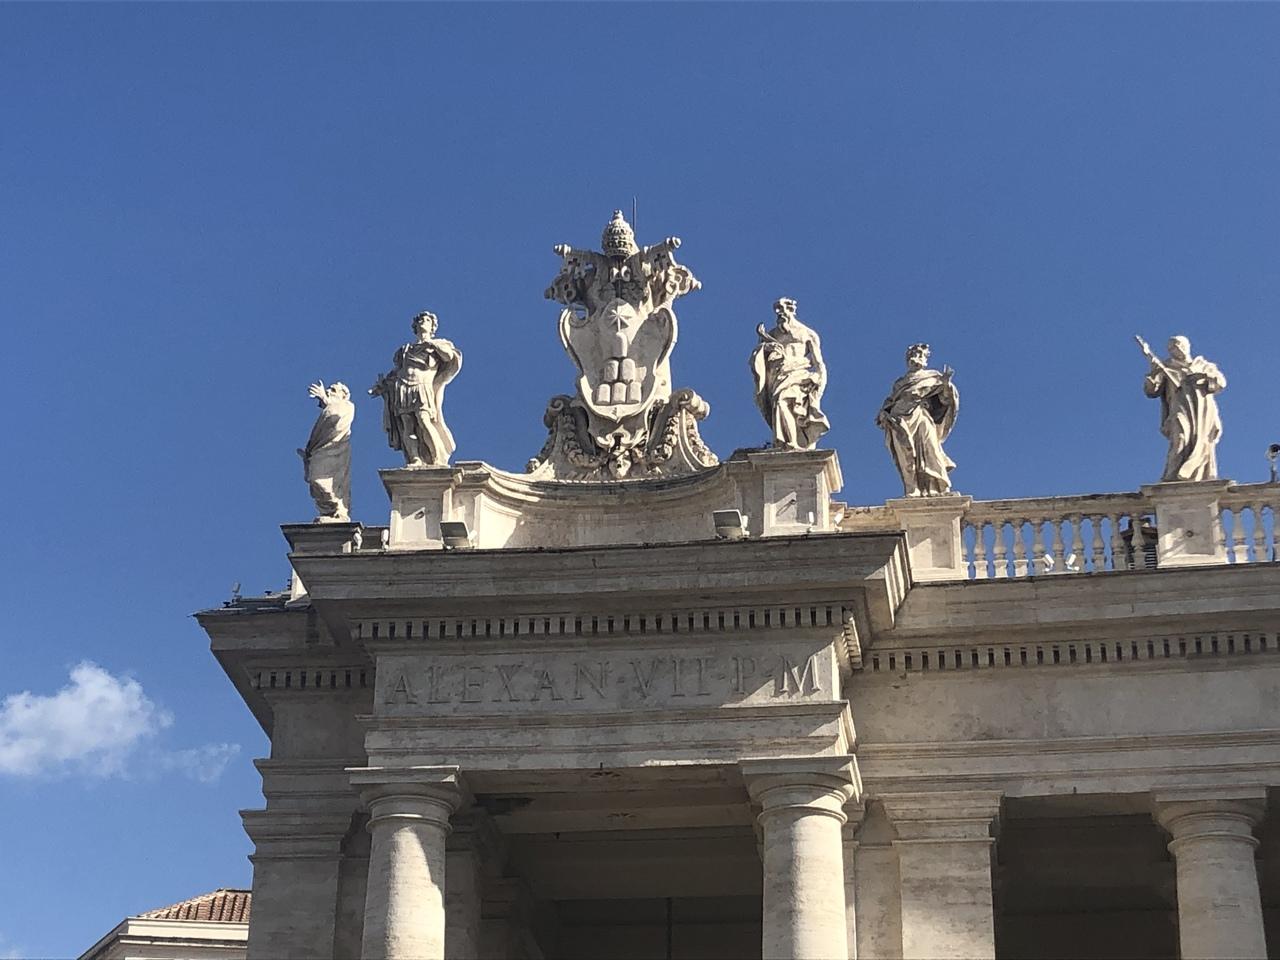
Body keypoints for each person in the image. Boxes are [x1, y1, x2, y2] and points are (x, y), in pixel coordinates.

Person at [371, 311, 462, 467]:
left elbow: (448, 356)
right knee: (407, 425)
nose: (422, 322)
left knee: (423, 419)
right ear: (415, 326)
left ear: (433, 327)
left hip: (422, 386)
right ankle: (415, 458)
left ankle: (437, 457)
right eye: (420, 320)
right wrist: (383, 386)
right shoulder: (405, 349)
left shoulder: (440, 344)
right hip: (403, 387)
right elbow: (398, 370)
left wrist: (431, 344)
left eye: (427, 320)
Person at [1137, 334, 1226, 482]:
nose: (1176, 349)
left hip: (1202, 409)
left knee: (1203, 440)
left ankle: (1199, 475)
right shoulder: (1166, 367)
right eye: (1172, 347)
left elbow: (1220, 383)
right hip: (1179, 406)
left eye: (1178, 345)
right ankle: (1173, 477)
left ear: (1187, 346)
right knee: (1180, 437)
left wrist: (1203, 377)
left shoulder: (1203, 365)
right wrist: (1154, 370)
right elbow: (1152, 390)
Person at [877, 343, 959, 497]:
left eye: (920, 355)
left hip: (921, 417)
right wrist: (883, 413)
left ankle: (936, 487)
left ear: (925, 359)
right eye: (913, 355)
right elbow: (890, 402)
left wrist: (946, 385)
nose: (916, 358)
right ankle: (912, 488)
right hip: (900, 420)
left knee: (930, 450)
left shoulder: (933, 377)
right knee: (905, 455)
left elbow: (946, 400)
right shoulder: (899, 383)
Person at [749, 298, 830, 450]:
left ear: (791, 310)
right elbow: (761, 359)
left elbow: (818, 362)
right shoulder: (772, 334)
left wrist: (820, 381)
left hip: (799, 374)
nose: (779, 312)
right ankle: (787, 443)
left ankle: (791, 443)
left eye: (782, 308)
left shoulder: (807, 333)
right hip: (778, 375)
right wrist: (764, 348)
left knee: (783, 401)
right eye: (777, 309)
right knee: (779, 404)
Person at [298, 381, 354, 521]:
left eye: (333, 390)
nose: (329, 391)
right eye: (329, 390)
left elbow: (334, 415)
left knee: (320, 480)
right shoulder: (334, 407)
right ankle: (331, 510)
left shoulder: (347, 406)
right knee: (315, 480)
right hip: (321, 450)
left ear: (344, 396)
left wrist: (324, 399)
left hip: (334, 450)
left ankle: (336, 509)